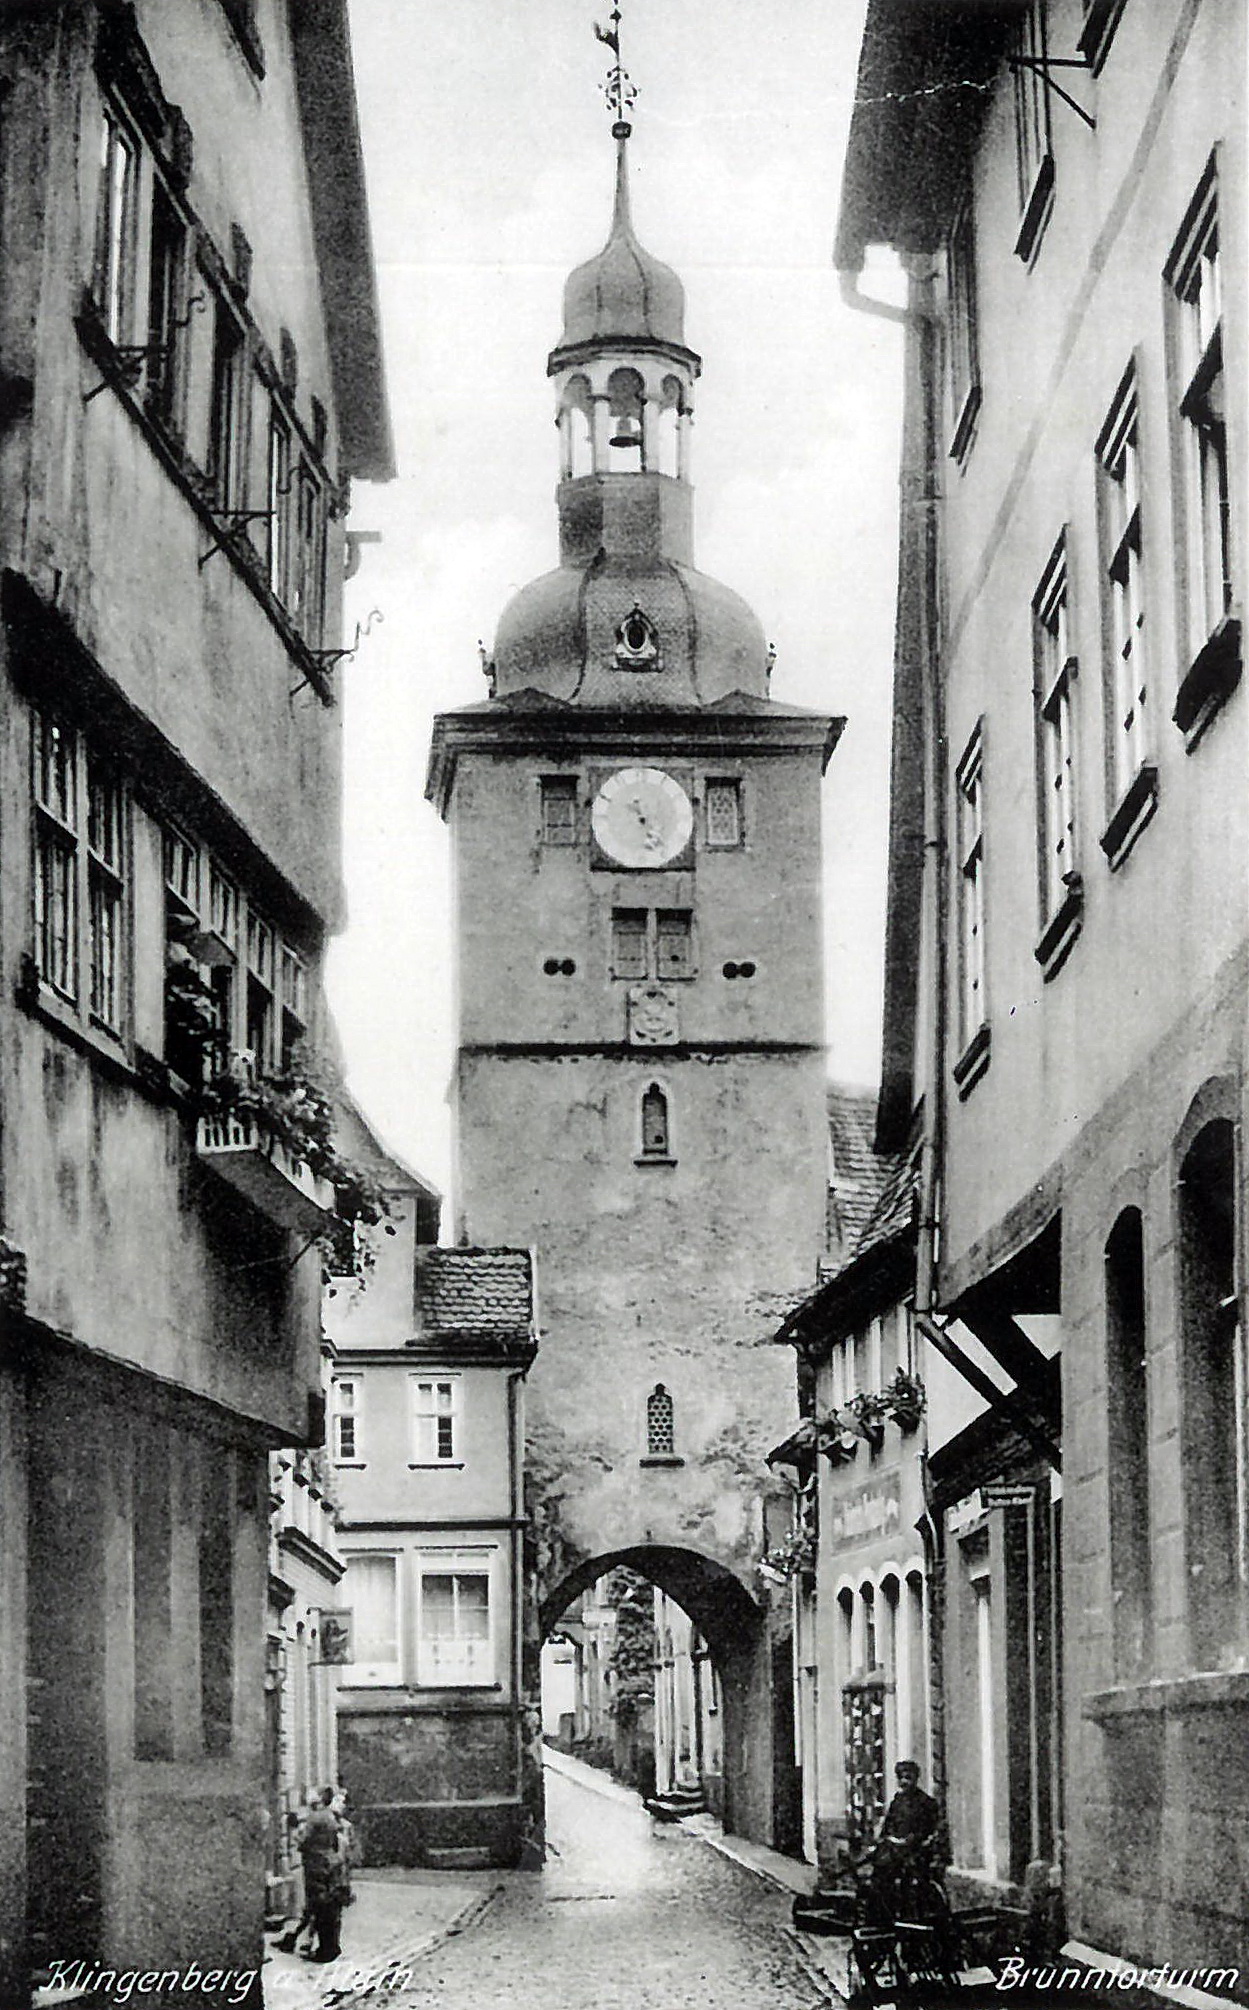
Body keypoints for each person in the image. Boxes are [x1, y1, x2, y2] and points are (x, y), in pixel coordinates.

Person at [295, 1786, 348, 1962]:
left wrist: (297, 1836)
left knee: (319, 1907)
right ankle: (332, 1946)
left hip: (315, 1865)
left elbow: (303, 1842)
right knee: (331, 1908)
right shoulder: (331, 1817)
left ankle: (324, 1950)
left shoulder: (315, 1818)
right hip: (330, 1864)